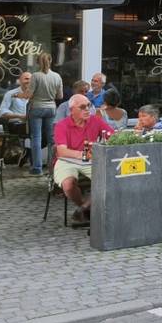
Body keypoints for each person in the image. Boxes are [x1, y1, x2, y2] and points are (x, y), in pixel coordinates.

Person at [53, 94, 113, 226]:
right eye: (82, 107)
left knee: (108, 179)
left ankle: (83, 209)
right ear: (71, 110)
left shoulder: (95, 120)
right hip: (66, 160)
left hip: (90, 160)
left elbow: (112, 137)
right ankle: (85, 207)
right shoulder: (62, 125)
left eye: (89, 106)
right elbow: (61, 151)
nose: (87, 109)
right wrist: (83, 154)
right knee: (68, 185)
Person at [27, 53, 64, 175]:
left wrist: (18, 95)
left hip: (36, 107)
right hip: (51, 107)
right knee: (51, 139)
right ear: (51, 61)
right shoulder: (57, 76)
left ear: (38, 62)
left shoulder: (35, 76)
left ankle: (37, 168)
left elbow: (29, 95)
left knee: (36, 138)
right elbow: (60, 96)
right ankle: (52, 167)